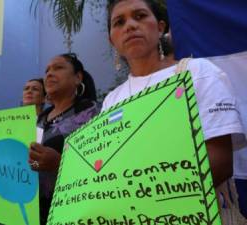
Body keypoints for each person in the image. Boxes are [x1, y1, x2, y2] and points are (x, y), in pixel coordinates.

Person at [102, 0, 246, 222]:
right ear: (112, 39)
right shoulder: (112, 100)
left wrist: (142, 197)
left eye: (139, 16)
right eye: (119, 22)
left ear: (160, 27)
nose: (129, 25)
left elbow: (219, 160)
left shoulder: (198, 72)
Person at [28, 53, 99, 224]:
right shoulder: (38, 119)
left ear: (77, 77)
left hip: (74, 211)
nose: (49, 74)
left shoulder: (92, 113)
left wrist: (61, 164)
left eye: (58, 68)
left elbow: (104, 164)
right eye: (47, 71)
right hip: (33, 212)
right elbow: (32, 163)